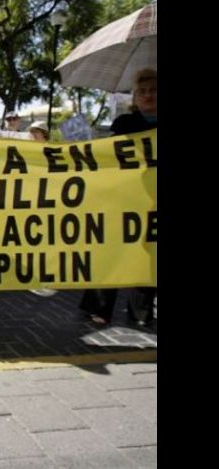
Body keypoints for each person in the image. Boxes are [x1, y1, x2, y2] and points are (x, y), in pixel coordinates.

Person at [79, 68, 157, 326]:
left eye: (154, 91)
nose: (148, 96)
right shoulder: (123, 124)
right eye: (143, 91)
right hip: (124, 199)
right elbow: (108, 157)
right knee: (112, 249)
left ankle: (141, 312)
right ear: (135, 97)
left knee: (149, 253)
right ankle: (98, 308)